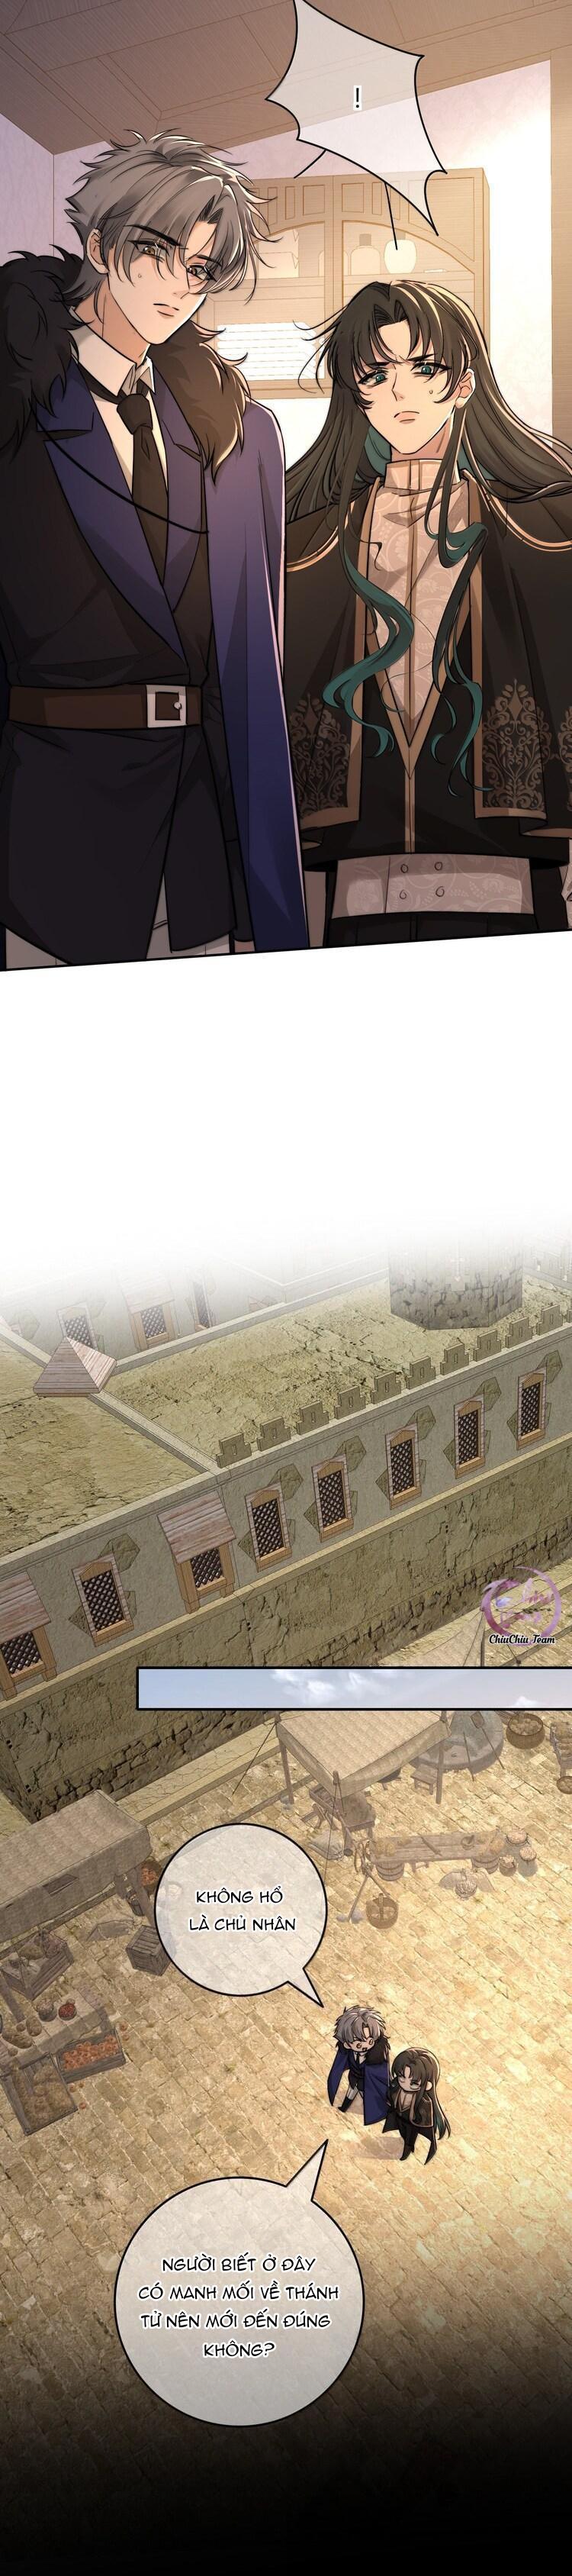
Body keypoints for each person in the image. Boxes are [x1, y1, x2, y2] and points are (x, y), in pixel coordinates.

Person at [0, 131, 307, 967]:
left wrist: (266, 905)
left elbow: (251, 682)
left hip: (195, 850)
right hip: (48, 843)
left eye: (200, 267)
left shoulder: (233, 435)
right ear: (102, 247)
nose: (180, 285)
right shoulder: (17, 412)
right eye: (160, 253)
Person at [284, 278, 572, 943]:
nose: (400, 392)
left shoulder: (542, 532)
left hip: (509, 886)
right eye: (377, 373)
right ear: (354, 391)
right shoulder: (308, 544)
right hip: (358, 894)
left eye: (423, 369)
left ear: (464, 383)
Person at [327, 2004, 390, 2123]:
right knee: (350, 2093)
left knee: (367, 2097)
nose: (365, 2046)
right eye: (359, 2044)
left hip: (365, 2083)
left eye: (370, 2041)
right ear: (347, 2044)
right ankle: (344, 2108)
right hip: (353, 2078)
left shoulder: (375, 2057)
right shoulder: (349, 2053)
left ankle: (376, 2111)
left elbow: (381, 2075)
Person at [386, 2048, 451, 2162]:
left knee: (409, 2139)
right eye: (401, 2076)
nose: (405, 2084)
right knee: (402, 2132)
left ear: (428, 2085)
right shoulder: (395, 2086)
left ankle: (407, 2150)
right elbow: (390, 2096)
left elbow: (425, 2119)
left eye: (414, 2083)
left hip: (412, 2123)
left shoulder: (425, 2101)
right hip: (399, 2117)